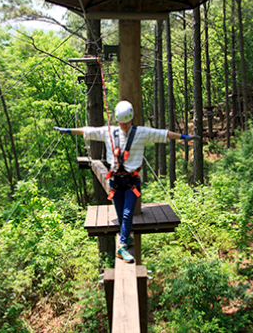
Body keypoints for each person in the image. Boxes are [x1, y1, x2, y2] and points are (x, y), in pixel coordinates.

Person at [54, 100, 200, 263]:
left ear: (132, 120)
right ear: (117, 121)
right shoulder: (108, 132)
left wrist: (184, 137)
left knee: (127, 212)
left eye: (127, 123)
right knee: (120, 213)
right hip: (115, 182)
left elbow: (162, 134)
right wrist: (67, 131)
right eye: (121, 123)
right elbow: (88, 131)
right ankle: (127, 237)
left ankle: (122, 245)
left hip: (132, 181)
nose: (124, 126)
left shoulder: (141, 133)